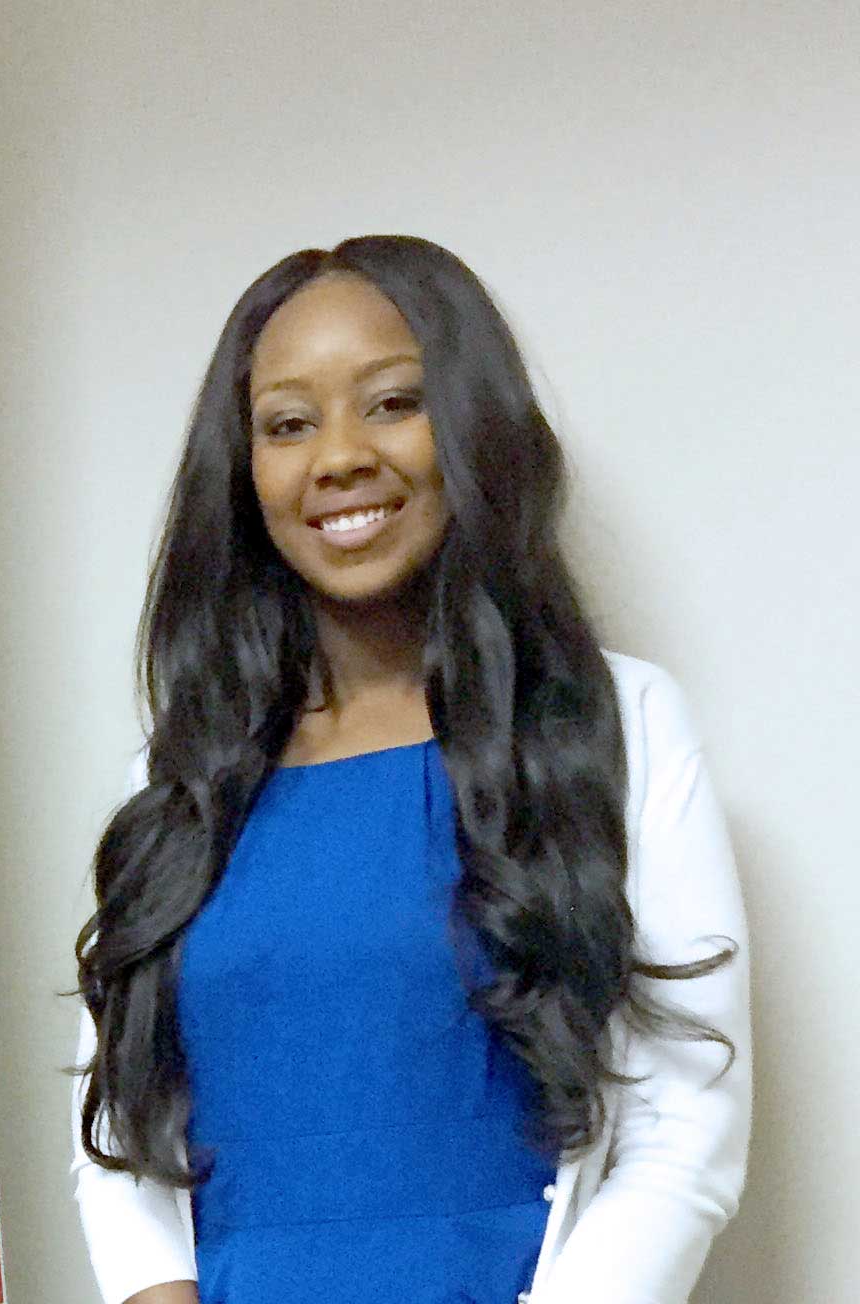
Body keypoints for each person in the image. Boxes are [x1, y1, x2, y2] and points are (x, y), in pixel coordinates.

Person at [68, 236, 751, 1304]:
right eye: (287, 423)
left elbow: (685, 1131)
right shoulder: (177, 783)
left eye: (390, 401)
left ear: (474, 427)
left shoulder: (614, 726)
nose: (336, 455)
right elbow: (120, 1133)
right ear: (243, 475)